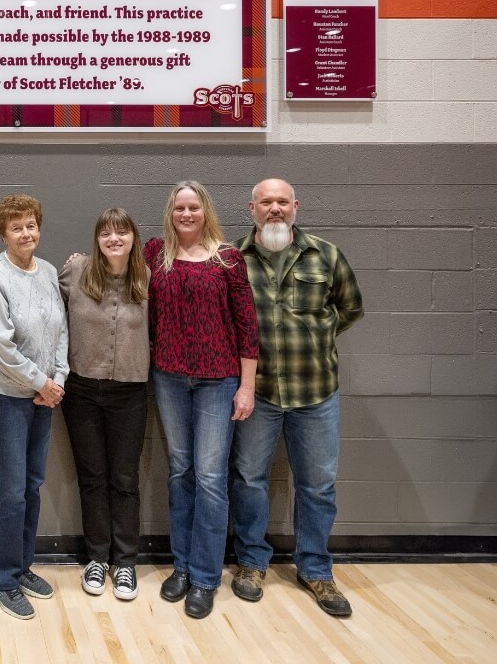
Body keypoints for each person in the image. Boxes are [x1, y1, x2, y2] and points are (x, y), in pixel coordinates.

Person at [230, 178, 364, 618]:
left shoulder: (326, 254)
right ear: (251, 209)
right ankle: (251, 562)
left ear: (295, 207)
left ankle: (316, 568)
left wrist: (315, 339)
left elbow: (349, 309)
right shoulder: (232, 259)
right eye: (265, 202)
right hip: (258, 393)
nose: (274, 209)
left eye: (282, 202)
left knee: (318, 485)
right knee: (249, 480)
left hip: (315, 393)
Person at [144, 180, 258, 620]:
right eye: (179, 208)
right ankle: (181, 567)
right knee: (180, 471)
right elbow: (114, 261)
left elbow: (248, 327)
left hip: (219, 381)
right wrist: (79, 262)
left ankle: (206, 577)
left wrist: (246, 386)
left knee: (210, 477)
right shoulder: (157, 253)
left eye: (193, 207)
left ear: (204, 210)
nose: (186, 214)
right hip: (169, 377)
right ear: (170, 213)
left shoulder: (228, 259)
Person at [0, 193, 69, 621]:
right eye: (16, 227)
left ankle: (22, 565)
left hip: (44, 396)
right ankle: (2, 578)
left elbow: (61, 331)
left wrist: (58, 380)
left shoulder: (48, 271)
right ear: (3, 233)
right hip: (6, 398)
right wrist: (40, 383)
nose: (26, 233)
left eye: (31, 225)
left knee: (31, 485)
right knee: (10, 490)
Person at [58, 208, 149, 601]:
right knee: (92, 478)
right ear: (96, 239)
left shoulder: (149, 279)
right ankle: (97, 557)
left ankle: (125, 562)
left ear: (133, 238)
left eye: (122, 232)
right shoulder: (75, 272)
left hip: (129, 391)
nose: (114, 239)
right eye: (106, 233)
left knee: (125, 481)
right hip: (81, 391)